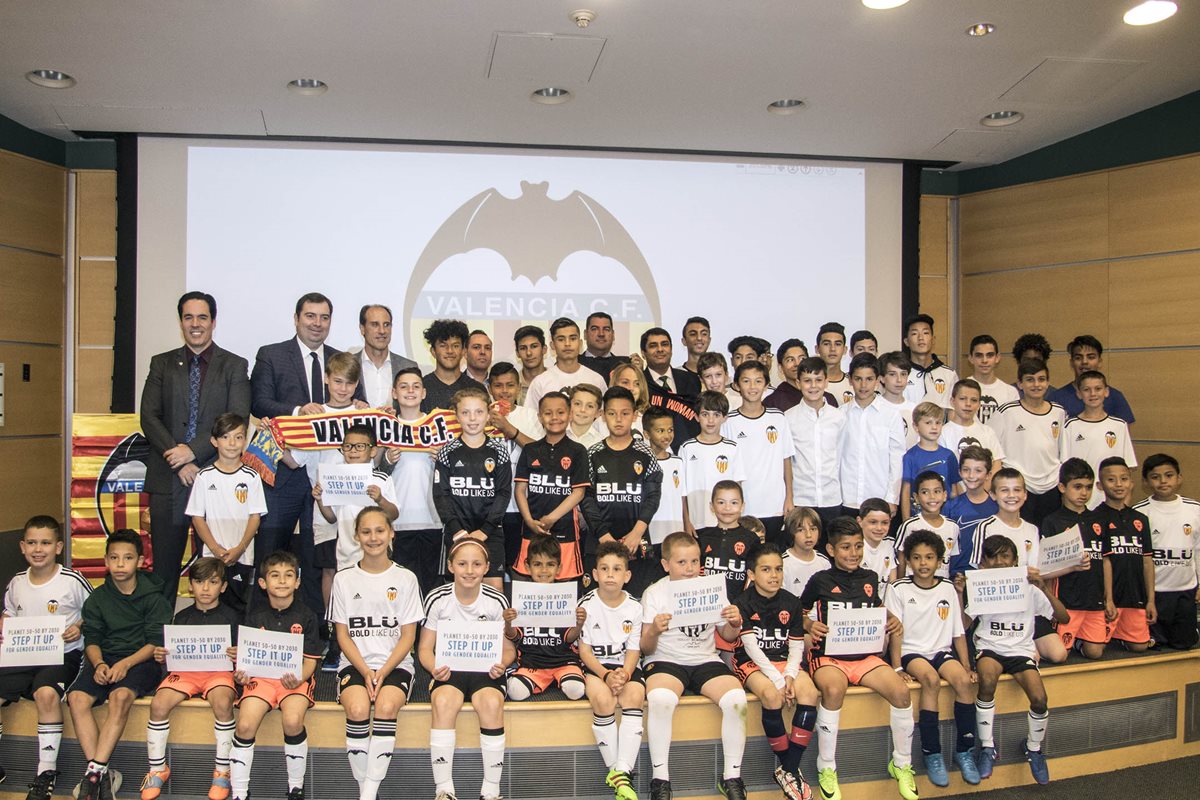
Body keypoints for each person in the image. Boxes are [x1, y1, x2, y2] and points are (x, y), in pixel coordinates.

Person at [251, 292, 359, 616]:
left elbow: (357, 405)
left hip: (327, 482)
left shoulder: (341, 358)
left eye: (324, 317)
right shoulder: (271, 355)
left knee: (318, 560)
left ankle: (315, 631)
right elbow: (259, 402)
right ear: (297, 318)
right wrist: (299, 411)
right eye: (310, 316)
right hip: (286, 475)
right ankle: (259, 628)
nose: (317, 323)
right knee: (271, 551)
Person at [142, 290, 250, 599]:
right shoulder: (161, 364)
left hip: (218, 478)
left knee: (219, 566)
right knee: (164, 569)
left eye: (202, 317)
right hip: (169, 476)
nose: (195, 324)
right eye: (188, 317)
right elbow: (149, 416)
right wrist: (178, 458)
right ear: (181, 322)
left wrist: (194, 451)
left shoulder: (234, 365)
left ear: (213, 322)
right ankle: (159, 638)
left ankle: (219, 636)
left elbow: (237, 417)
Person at [799, 517, 916, 800]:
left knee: (901, 692)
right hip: (829, 656)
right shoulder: (820, 580)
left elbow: (876, 607)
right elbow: (798, 614)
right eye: (845, 547)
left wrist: (892, 619)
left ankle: (901, 763)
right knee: (833, 689)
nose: (853, 553)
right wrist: (808, 625)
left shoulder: (870, 578)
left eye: (858, 546)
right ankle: (827, 766)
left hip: (864, 655)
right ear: (831, 549)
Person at [641, 532, 749, 800]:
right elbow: (645, 648)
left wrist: (734, 622)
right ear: (666, 564)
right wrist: (654, 630)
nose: (689, 569)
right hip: (665, 658)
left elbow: (727, 636)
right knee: (661, 699)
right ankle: (660, 779)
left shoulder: (710, 587)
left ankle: (732, 776)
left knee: (737, 700)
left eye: (694, 562)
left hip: (704, 659)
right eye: (681, 563)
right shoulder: (654, 593)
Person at [67, 529, 173, 800]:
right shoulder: (98, 599)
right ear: (106, 561)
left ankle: (93, 775)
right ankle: (100, 773)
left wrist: (126, 664)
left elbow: (153, 642)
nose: (120, 564)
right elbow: (92, 638)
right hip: (105, 659)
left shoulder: (154, 597)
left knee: (120, 695)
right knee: (77, 698)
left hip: (141, 661)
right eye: (114, 558)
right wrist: (99, 663)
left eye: (127, 558)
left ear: (140, 561)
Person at [956, 535, 1069, 785]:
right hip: (990, 648)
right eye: (993, 556)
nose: (999, 562)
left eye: (1005, 556)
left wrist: (1043, 588)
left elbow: (1064, 618)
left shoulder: (1029, 588)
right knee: (986, 680)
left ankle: (1034, 748)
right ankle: (986, 747)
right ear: (983, 563)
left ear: (1015, 560)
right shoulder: (980, 587)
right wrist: (963, 595)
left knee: (1040, 699)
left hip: (1021, 651)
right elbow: (963, 626)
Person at [329, 508, 423, 800]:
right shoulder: (343, 579)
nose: (373, 538)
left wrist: (382, 671)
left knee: (385, 707)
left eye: (380, 531)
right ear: (356, 536)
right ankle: (366, 791)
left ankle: (367, 794)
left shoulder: (406, 578)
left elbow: (409, 635)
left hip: (395, 665)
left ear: (391, 533)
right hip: (356, 664)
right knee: (357, 710)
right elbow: (342, 635)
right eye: (366, 532)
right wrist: (367, 671)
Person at [0, 516, 91, 800]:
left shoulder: (72, 581)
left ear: (59, 547)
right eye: (32, 543)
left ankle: (45, 773)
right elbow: (9, 614)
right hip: (22, 656)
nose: (38, 549)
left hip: (62, 656)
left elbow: (97, 613)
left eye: (46, 543)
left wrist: (79, 627)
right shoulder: (16, 582)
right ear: (22, 547)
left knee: (46, 694)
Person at [419, 540, 515, 800]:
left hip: (487, 672)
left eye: (476, 564)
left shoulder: (496, 600)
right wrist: (434, 668)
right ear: (451, 566)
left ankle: (491, 791)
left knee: (492, 703)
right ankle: (444, 789)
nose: (469, 570)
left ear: (486, 568)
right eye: (462, 564)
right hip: (450, 671)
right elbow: (425, 649)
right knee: (443, 701)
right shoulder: (437, 599)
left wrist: (503, 666)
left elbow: (509, 651)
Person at [279, 352, 369, 626]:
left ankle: (363, 624)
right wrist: (272, 443)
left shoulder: (364, 414)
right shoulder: (313, 416)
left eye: (350, 384)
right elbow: (294, 461)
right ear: (326, 379)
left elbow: (376, 455)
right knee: (330, 570)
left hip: (361, 506)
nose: (343, 389)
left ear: (357, 385)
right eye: (338, 381)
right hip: (325, 507)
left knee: (364, 568)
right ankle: (332, 629)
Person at [139, 557, 240, 800]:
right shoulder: (181, 617)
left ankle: (223, 771)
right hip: (185, 672)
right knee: (158, 704)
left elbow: (242, 659)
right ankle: (157, 769)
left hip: (219, 672)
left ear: (223, 587)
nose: (206, 588)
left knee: (223, 703)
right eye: (199, 582)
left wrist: (238, 654)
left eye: (213, 582)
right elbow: (171, 657)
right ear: (190, 586)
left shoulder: (234, 616)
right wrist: (162, 655)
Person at [885, 531, 978, 788]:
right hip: (912, 652)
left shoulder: (947, 587)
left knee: (962, 681)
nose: (923, 563)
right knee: (930, 680)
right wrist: (897, 667)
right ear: (909, 561)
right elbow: (895, 630)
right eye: (916, 558)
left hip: (941, 651)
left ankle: (965, 750)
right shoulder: (898, 588)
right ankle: (932, 753)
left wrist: (968, 666)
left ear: (939, 561)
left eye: (929, 558)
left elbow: (958, 630)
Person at [230, 550, 322, 800]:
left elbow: (311, 661)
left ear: (298, 582)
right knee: (246, 724)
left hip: (295, 679)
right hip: (261, 680)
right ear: (262, 583)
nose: (282, 581)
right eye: (275, 575)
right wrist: (242, 676)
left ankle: (295, 788)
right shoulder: (254, 617)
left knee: (292, 721)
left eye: (288, 575)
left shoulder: (307, 616)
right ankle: (239, 793)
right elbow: (246, 663)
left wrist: (300, 679)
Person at [731, 543, 819, 800]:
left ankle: (788, 769)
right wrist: (780, 681)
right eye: (766, 569)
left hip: (784, 662)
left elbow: (796, 646)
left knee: (810, 694)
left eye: (778, 569)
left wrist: (790, 675)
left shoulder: (791, 602)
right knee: (772, 696)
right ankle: (789, 767)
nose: (774, 575)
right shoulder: (742, 603)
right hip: (753, 662)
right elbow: (752, 648)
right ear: (751, 574)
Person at [975, 468, 1068, 663]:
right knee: (1030, 657)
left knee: (1059, 655)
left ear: (1025, 495)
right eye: (1004, 490)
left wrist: (1073, 566)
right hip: (1000, 611)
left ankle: (1026, 642)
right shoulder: (986, 527)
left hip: (1029, 607)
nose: (1011, 496)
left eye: (1017, 490)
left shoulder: (1032, 529)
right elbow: (979, 572)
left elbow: (1039, 571)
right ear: (992, 494)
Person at [578, 541, 646, 800]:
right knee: (604, 699)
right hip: (597, 668)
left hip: (625, 668)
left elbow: (634, 650)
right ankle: (617, 773)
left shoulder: (635, 607)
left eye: (617, 569)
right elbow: (584, 651)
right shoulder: (585, 605)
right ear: (594, 574)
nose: (610, 574)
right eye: (604, 568)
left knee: (633, 696)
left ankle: (622, 771)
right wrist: (606, 675)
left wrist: (625, 675)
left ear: (626, 576)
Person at [581, 387, 663, 597]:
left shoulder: (646, 454)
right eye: (612, 413)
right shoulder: (593, 454)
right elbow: (586, 498)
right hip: (599, 542)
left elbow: (653, 497)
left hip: (637, 544)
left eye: (625, 413)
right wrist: (603, 535)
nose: (618, 419)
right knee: (595, 604)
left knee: (638, 602)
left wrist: (636, 533)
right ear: (602, 415)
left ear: (634, 415)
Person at [432, 387, 513, 592]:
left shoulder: (499, 450)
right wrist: (456, 529)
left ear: (488, 415)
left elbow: (503, 493)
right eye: (465, 412)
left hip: (491, 531)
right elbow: (441, 494)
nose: (472, 418)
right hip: (457, 531)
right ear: (456, 416)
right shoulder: (447, 451)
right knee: (458, 591)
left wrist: (485, 530)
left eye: (478, 412)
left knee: (494, 589)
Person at [185, 413, 266, 612]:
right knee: (210, 604)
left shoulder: (252, 476)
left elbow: (255, 517)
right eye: (226, 437)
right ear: (214, 441)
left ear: (245, 440)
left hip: (243, 555)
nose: (232, 443)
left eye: (238, 437)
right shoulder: (204, 476)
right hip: (211, 555)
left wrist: (240, 548)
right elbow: (197, 517)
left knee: (239, 605)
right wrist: (214, 548)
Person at [512, 393, 590, 583]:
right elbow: (520, 490)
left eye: (560, 412)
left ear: (570, 414)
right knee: (528, 583)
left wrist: (552, 518)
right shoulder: (530, 450)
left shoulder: (578, 451)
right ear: (540, 417)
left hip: (565, 530)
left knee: (566, 585)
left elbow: (579, 492)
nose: (554, 417)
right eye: (548, 413)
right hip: (533, 529)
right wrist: (530, 520)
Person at [383, 367, 443, 595]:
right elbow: (375, 471)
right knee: (400, 587)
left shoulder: (439, 426)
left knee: (429, 585)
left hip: (433, 518)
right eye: (404, 386)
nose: (410, 391)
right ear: (394, 393)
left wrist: (443, 460)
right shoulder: (386, 426)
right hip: (398, 519)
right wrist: (387, 459)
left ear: (424, 393)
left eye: (416, 386)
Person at [1042, 459, 1108, 659]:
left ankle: (1081, 640)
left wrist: (1108, 597)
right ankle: (1071, 638)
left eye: (1088, 487)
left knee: (1095, 653)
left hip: (1094, 600)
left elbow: (1106, 560)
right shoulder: (1052, 522)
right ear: (1062, 487)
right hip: (1068, 601)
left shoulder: (1098, 519)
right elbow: (1045, 570)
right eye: (1077, 487)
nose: (1084, 493)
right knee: (1062, 653)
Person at [987, 358, 1065, 526]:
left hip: (1051, 486)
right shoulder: (1006, 412)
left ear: (1048, 383)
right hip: (1018, 487)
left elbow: (1063, 451)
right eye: (1030, 380)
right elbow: (991, 449)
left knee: (1048, 540)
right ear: (1020, 384)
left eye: (1041, 379)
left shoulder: (1058, 412)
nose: (1036, 384)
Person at [508, 535, 587, 700]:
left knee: (576, 690)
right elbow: (514, 636)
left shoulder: (565, 597)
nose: (544, 571)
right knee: (515, 692)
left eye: (550, 565)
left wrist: (578, 624)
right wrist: (508, 622)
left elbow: (569, 638)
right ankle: (540, 680)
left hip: (563, 661)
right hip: (532, 663)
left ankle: (561, 677)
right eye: (537, 564)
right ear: (527, 567)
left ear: (559, 568)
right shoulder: (520, 598)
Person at [722, 361, 794, 543]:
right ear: (737, 385)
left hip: (775, 505)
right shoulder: (728, 421)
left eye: (758, 381)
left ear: (766, 384)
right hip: (744, 508)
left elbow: (786, 460)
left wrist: (789, 498)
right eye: (746, 381)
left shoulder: (778, 417)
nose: (752, 387)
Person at [1135, 454, 1200, 650]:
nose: (1163, 481)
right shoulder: (1140, 513)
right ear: (1145, 482)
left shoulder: (1195, 509)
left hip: (1185, 590)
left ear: (1179, 478)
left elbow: (1198, 549)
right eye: (1155, 477)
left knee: (1184, 644)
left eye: (1169, 475)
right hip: (1154, 594)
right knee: (1153, 645)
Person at [312, 424, 398, 571]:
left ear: (373, 451)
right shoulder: (335, 478)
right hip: (345, 555)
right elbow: (331, 518)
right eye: (348, 446)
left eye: (359, 446)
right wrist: (320, 499)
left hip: (377, 552)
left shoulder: (381, 479)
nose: (353, 451)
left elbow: (394, 514)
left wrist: (380, 500)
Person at [1096, 457, 1156, 652]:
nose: (1119, 484)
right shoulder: (1095, 517)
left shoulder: (1140, 519)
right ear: (1100, 485)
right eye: (1111, 479)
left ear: (1131, 482)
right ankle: (1085, 640)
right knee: (1096, 649)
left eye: (1124, 479)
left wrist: (1151, 600)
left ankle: (1118, 636)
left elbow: (1147, 561)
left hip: (1135, 596)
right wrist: (1108, 599)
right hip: (1109, 599)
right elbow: (1103, 562)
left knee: (1140, 647)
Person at [839, 354, 905, 518]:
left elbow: (897, 458)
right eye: (858, 379)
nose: (863, 385)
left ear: (877, 380)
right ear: (850, 380)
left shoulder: (891, 414)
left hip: (879, 499)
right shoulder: (840, 414)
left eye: (869, 379)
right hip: (845, 499)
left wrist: (892, 498)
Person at [785, 357, 846, 529]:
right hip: (802, 498)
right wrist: (789, 497)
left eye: (818, 380)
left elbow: (841, 457)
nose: (813, 386)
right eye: (807, 381)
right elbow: (787, 461)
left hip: (832, 498)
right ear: (798, 383)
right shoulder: (789, 418)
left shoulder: (839, 417)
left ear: (826, 382)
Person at [1060, 371, 1136, 509]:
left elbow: (1128, 468)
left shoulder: (1119, 425)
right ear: (1079, 393)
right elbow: (1065, 470)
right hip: (1080, 502)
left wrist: (1124, 505)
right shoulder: (1069, 426)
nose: (1093, 394)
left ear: (1106, 392)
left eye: (1098, 389)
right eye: (1086, 390)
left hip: (1111, 503)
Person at [678, 391, 744, 530]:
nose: (711, 420)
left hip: (726, 523)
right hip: (697, 523)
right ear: (696, 416)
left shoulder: (732, 448)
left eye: (716, 414)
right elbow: (682, 492)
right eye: (705, 414)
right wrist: (686, 521)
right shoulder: (687, 448)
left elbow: (737, 487)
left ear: (724, 418)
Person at [524, 318, 608, 410]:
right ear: (552, 345)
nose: (567, 344)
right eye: (561, 339)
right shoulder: (540, 382)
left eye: (572, 338)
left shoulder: (596, 380)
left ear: (580, 343)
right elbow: (531, 421)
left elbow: (603, 418)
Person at [696, 482, 760, 602]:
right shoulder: (703, 538)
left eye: (734, 502)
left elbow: (756, 575)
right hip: (707, 605)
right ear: (711, 506)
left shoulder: (751, 539)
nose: (727, 508)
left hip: (738, 606)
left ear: (742, 506)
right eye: (721, 502)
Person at [1049, 336, 1135, 423]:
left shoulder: (1115, 397)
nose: (1084, 362)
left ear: (1100, 362)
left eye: (1091, 357)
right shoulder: (1056, 399)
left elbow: (1124, 433)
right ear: (1071, 363)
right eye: (1078, 358)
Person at [642, 327, 702, 450]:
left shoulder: (691, 379)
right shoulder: (640, 383)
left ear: (671, 349)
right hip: (655, 452)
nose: (660, 349)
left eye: (664, 344)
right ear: (643, 353)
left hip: (690, 451)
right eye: (653, 346)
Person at [943, 446, 999, 576]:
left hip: (988, 576)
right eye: (966, 470)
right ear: (960, 472)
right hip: (957, 575)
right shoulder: (950, 507)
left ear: (988, 475)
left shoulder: (997, 507)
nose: (971, 475)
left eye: (978, 470)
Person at [900, 403, 960, 519]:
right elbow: (906, 491)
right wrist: (906, 522)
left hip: (945, 518)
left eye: (938, 422)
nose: (934, 427)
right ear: (916, 426)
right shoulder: (910, 456)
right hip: (918, 518)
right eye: (928, 423)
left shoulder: (949, 456)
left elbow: (954, 491)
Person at [895, 473, 960, 579]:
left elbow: (953, 561)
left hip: (940, 588)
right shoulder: (909, 526)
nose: (932, 497)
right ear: (916, 497)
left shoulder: (953, 527)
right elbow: (901, 560)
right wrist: (900, 584)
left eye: (937, 491)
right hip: (913, 587)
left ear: (944, 495)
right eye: (925, 492)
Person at [939, 380, 1005, 481]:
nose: (968, 404)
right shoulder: (942, 433)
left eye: (974, 400)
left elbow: (996, 465)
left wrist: (983, 493)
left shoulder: (988, 432)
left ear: (979, 404)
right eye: (962, 399)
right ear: (952, 401)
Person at [354, 304, 416, 409]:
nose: (382, 331)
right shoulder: (349, 364)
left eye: (386, 325)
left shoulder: (408, 366)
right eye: (375, 325)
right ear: (362, 329)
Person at [644, 406, 690, 546]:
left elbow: (682, 496)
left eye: (670, 430)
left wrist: (687, 524)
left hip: (675, 532)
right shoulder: (642, 462)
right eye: (660, 431)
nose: (667, 435)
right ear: (647, 434)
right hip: (652, 533)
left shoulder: (677, 461)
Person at [420, 319, 484, 413]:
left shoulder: (477, 389)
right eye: (443, 345)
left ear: (463, 351)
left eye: (455, 346)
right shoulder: (421, 388)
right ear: (433, 351)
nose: (450, 351)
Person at [902, 314, 957, 409]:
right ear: (906, 341)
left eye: (926, 333)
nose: (920, 338)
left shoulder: (949, 374)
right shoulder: (900, 374)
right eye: (914, 334)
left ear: (933, 339)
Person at [965, 335, 1018, 425]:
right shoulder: (960, 389)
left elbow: (1013, 427)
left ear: (997, 358)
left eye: (989, 355)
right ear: (970, 358)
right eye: (979, 355)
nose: (984, 360)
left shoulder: (1010, 392)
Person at [781, 507, 830, 597]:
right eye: (801, 530)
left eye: (813, 529)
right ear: (791, 532)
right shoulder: (783, 563)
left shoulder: (824, 562)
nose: (808, 535)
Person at [877, 351, 917, 448]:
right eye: (892, 374)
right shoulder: (875, 407)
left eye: (903, 374)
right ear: (881, 378)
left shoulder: (914, 409)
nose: (899, 380)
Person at [857, 499, 898, 591]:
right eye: (873, 522)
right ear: (860, 521)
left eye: (885, 523)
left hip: (884, 604)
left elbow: (893, 583)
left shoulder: (891, 544)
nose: (879, 528)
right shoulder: (854, 547)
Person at [762, 338, 809, 413]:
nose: (797, 364)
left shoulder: (825, 397)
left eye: (802, 358)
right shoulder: (772, 403)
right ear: (780, 368)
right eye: (790, 360)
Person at [579, 311, 628, 379]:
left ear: (613, 335)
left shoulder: (626, 364)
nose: (601, 334)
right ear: (585, 334)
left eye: (606, 329)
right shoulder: (574, 362)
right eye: (594, 329)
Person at [816, 322, 852, 407]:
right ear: (817, 349)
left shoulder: (853, 383)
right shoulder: (810, 384)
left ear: (845, 350)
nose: (832, 349)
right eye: (826, 344)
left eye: (838, 344)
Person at [609, 362, 650, 432]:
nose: (631, 388)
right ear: (614, 384)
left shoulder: (649, 422)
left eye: (637, 384)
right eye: (625, 382)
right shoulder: (602, 421)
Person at [513, 325, 548, 406]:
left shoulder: (555, 379)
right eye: (523, 348)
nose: (529, 353)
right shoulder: (512, 384)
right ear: (517, 353)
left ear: (544, 349)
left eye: (534, 346)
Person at [567, 383, 607, 449]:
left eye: (590, 406)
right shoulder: (556, 436)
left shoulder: (601, 443)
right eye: (577, 404)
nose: (583, 410)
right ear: (568, 406)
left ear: (598, 413)